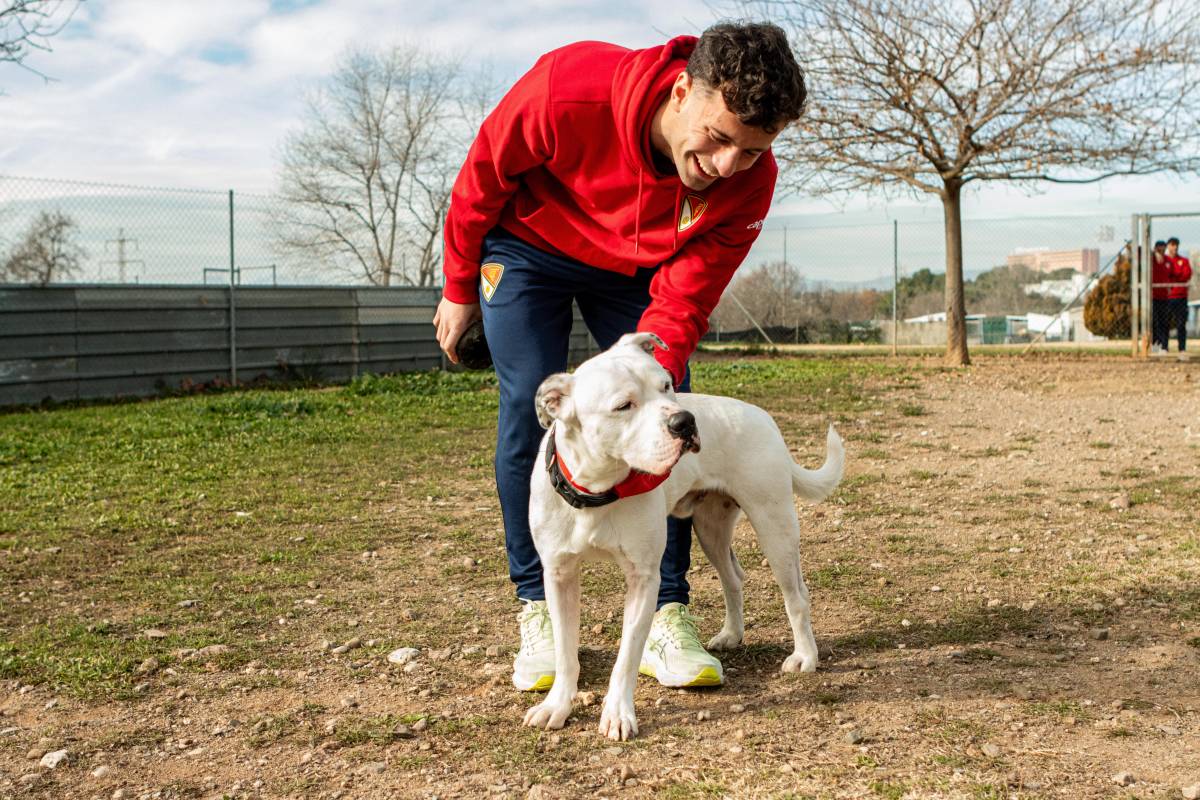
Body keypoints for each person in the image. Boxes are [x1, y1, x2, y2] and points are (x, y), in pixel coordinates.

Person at [432, 22, 806, 691]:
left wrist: (652, 375)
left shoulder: (749, 181)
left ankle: (665, 611)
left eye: (751, 151)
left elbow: (687, 296)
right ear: (682, 91)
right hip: (529, 247)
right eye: (717, 138)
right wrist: (459, 286)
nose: (727, 166)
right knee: (531, 403)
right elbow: (480, 178)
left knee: (664, 410)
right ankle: (538, 606)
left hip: (637, 270)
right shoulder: (567, 90)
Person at [1164, 237, 1192, 355]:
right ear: (1168, 246)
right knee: (1165, 323)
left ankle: (1182, 349)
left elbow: (1186, 275)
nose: (1174, 247)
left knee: (1181, 324)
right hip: (1167, 297)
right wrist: (1174, 275)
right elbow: (1164, 275)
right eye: (1172, 245)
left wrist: (1174, 275)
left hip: (1181, 297)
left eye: (1176, 245)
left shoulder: (1184, 261)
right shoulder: (1164, 261)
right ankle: (1164, 347)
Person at [1151, 240, 1170, 353]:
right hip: (1153, 297)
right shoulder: (1151, 259)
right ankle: (1155, 343)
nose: (1162, 250)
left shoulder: (1168, 260)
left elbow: (1173, 274)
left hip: (1165, 297)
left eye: (1163, 248)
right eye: (1159, 248)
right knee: (1154, 322)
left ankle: (1164, 346)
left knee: (1164, 322)